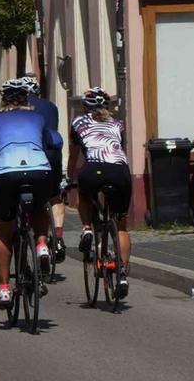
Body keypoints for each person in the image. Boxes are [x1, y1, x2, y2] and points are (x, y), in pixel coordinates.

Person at [0, 78, 60, 309]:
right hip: (39, 171)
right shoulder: (38, 118)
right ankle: (42, 244)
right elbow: (46, 145)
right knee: (40, 207)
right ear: (26, 99)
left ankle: (4, 290)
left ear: (3, 100)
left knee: (4, 231)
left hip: (8, 175)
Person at [67, 87, 131, 299]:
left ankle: (86, 227)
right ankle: (122, 274)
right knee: (121, 225)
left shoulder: (78, 123)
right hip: (120, 172)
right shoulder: (117, 124)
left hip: (93, 169)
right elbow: (118, 149)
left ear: (85, 106)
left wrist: (69, 179)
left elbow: (74, 155)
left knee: (84, 194)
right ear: (108, 106)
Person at [20, 76, 66, 262]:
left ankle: (29, 231)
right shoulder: (51, 107)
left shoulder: (15, 110)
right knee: (54, 196)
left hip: (28, 156)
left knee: (24, 192)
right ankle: (59, 236)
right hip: (52, 154)